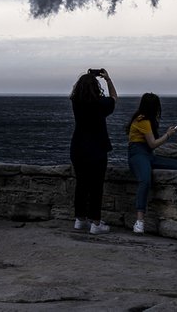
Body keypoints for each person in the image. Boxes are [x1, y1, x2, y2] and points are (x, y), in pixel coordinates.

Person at [127, 92, 177, 234]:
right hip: (137, 155)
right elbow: (153, 143)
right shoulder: (142, 120)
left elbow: (150, 147)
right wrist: (168, 135)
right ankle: (139, 221)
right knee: (145, 180)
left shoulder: (147, 120)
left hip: (148, 155)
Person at [69, 68, 118, 234]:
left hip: (78, 147)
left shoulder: (76, 101)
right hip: (96, 148)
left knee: (81, 184)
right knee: (96, 187)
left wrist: (89, 77)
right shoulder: (100, 104)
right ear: (96, 86)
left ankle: (79, 219)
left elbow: (80, 93)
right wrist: (108, 80)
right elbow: (114, 98)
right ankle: (95, 223)